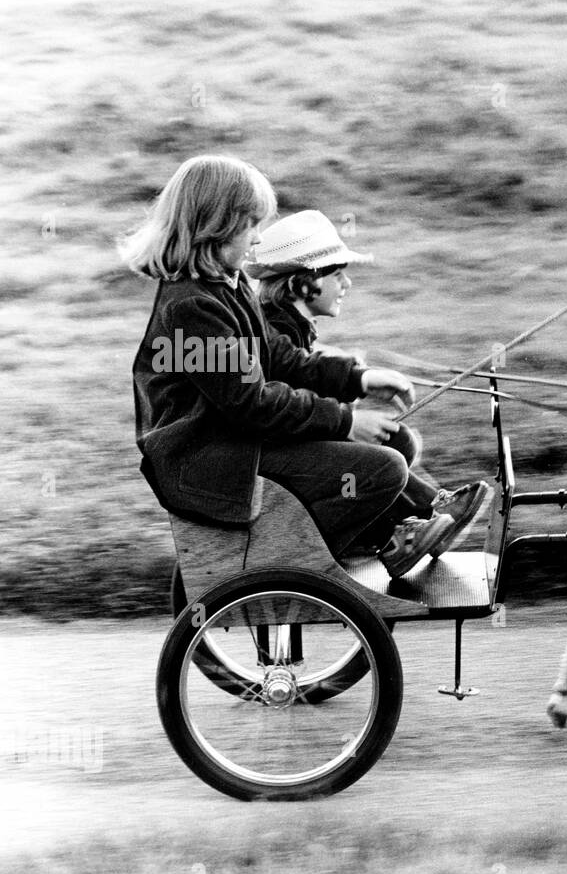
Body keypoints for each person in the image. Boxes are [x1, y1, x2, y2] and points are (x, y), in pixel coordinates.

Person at [122, 155, 471, 578]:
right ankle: (288, 565)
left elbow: (279, 357)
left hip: (234, 443)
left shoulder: (226, 287)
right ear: (216, 225)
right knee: (384, 466)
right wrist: (343, 422)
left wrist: (356, 378)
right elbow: (252, 403)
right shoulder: (192, 308)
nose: (255, 241)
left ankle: (401, 534)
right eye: (250, 225)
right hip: (208, 460)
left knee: (392, 446)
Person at [244, 210, 487, 541]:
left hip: (290, 437)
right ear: (303, 281)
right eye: (337, 275)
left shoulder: (287, 324)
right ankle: (413, 521)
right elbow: (291, 382)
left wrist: (354, 375)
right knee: (383, 457)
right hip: (277, 450)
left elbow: (302, 370)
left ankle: (418, 516)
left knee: (396, 440)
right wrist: (351, 406)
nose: (347, 283)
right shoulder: (279, 326)